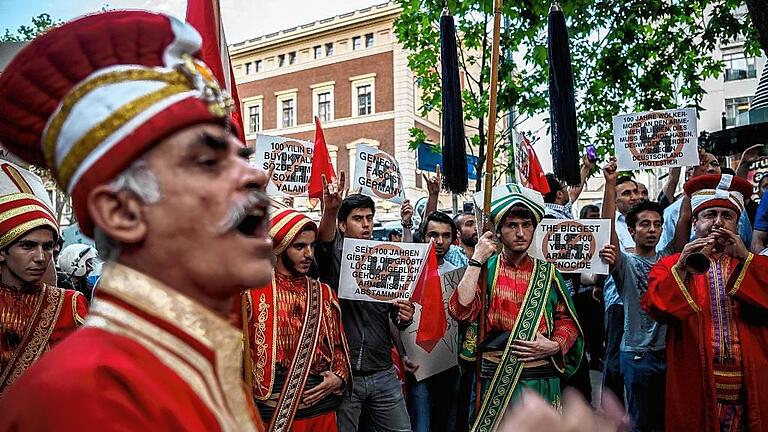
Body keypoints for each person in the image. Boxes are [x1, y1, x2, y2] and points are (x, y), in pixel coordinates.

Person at [0, 11, 273, 430]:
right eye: (207, 161)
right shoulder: (82, 398)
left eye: (243, 157)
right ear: (122, 213)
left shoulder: (201, 365)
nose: (257, 176)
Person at [448, 184, 583, 431]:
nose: (520, 233)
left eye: (526, 225)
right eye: (512, 225)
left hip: (541, 378)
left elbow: (567, 321)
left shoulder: (549, 273)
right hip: (496, 379)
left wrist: (555, 345)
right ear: (497, 232)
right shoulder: (484, 270)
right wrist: (476, 260)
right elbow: (460, 310)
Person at [643, 173, 768, 432]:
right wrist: (682, 268)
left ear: (737, 225)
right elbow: (656, 308)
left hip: (751, 381)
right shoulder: (670, 264)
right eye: (710, 215)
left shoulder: (755, 263)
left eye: (727, 216)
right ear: (695, 223)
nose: (718, 223)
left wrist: (746, 260)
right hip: (695, 380)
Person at [314, 184, 415, 431]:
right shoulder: (332, 257)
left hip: (383, 373)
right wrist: (330, 209)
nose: (366, 224)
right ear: (342, 225)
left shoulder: (385, 259)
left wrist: (404, 315)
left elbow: (394, 317)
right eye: (358, 219)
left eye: (369, 218)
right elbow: (324, 241)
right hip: (345, 377)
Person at [601, 158, 690, 432]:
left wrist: (690, 177)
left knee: (669, 420)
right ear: (631, 230)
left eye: (657, 224)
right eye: (644, 224)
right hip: (637, 356)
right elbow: (606, 227)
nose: (652, 230)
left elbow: (685, 220)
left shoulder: (670, 259)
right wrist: (610, 183)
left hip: (670, 353)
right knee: (641, 422)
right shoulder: (625, 264)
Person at [242, 208, 350, 431]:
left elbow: (338, 347)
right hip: (272, 413)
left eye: (311, 246)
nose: (309, 254)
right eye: (299, 246)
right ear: (279, 248)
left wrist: (339, 376)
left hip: (322, 412)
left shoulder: (324, 293)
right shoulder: (251, 293)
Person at [0, 161, 87, 396]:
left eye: (48, 247)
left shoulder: (69, 305)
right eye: (27, 246)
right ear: (2, 251)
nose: (41, 257)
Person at [405, 211, 461, 432]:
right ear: (423, 235)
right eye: (433, 234)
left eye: (446, 235)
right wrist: (403, 354)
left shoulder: (458, 272)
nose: (439, 241)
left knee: (449, 422)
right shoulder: (409, 271)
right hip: (419, 364)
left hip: (450, 363)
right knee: (422, 424)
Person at [658, 150, 753, 252]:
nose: (718, 222)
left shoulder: (737, 205)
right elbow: (673, 252)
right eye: (700, 164)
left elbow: (749, 244)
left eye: (715, 164)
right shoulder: (672, 212)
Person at [601, 175, 642, 408]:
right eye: (627, 193)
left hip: (646, 303)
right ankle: (612, 416)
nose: (634, 197)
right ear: (615, 200)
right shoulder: (611, 225)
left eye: (636, 192)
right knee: (615, 362)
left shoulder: (648, 222)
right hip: (618, 303)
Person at [575, 204, 605, 371]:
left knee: (596, 329)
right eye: (593, 217)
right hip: (581, 293)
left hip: (595, 292)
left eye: (597, 216)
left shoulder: (600, 237)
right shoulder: (576, 236)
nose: (596, 219)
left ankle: (595, 358)